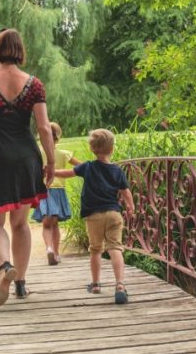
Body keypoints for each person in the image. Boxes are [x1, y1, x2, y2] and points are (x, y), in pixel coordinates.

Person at [0, 28, 59, 306]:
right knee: (20, 224)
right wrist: (51, 160)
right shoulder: (34, 84)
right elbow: (44, 127)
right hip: (26, 157)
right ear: (20, 50)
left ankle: (3, 267)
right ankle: (21, 283)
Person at [53, 128, 135, 304]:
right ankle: (120, 284)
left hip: (93, 216)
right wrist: (131, 206)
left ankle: (96, 284)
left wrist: (51, 172)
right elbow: (126, 192)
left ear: (92, 149)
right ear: (111, 149)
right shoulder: (117, 171)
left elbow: (67, 174)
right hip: (114, 214)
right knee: (115, 248)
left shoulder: (87, 166)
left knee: (95, 250)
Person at [31, 121, 74, 265]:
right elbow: (81, 166)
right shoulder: (63, 154)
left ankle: (48, 248)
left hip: (43, 191)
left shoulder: (37, 153)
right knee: (55, 224)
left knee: (46, 224)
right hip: (58, 192)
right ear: (58, 137)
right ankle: (56, 252)